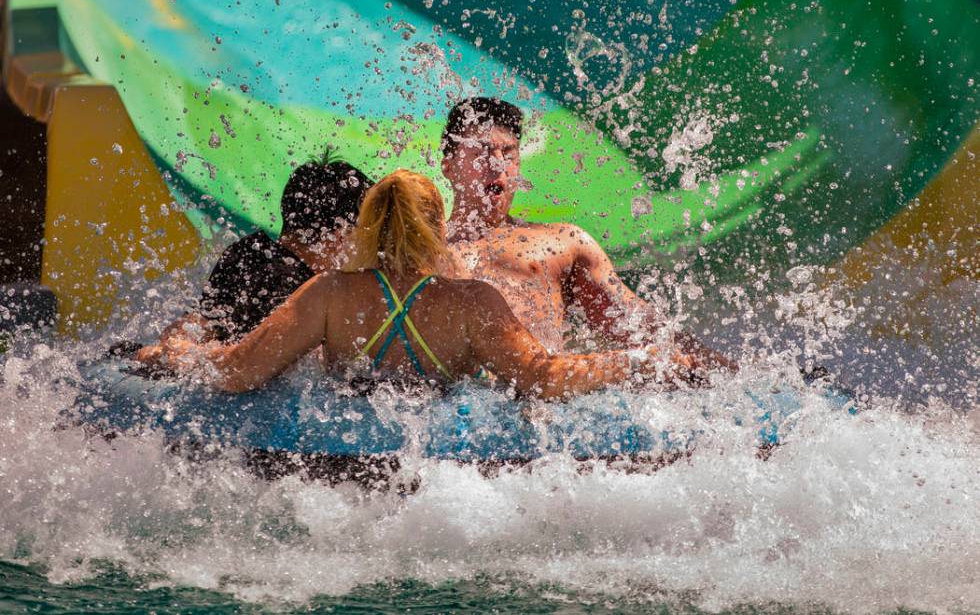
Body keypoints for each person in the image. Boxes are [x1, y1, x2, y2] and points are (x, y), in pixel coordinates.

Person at [152, 169, 697, 399]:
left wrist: (177, 352)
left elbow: (237, 372)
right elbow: (541, 376)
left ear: (365, 226)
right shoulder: (471, 302)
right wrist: (641, 361)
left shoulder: (327, 294)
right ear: (439, 227)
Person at [440, 96, 735, 374]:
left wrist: (722, 373)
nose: (497, 165)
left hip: (539, 401)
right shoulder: (421, 248)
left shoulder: (559, 244)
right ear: (448, 166)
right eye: (480, 152)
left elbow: (638, 323)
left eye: (508, 154)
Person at [136, 155, 371, 362]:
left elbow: (197, 325)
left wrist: (172, 348)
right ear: (341, 234)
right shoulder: (311, 289)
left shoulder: (250, 250)